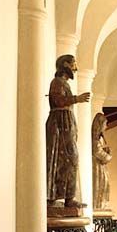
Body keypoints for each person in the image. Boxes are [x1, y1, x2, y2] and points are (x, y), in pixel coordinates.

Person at [46, 55, 91, 208]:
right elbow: (58, 100)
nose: (75, 68)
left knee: (71, 159)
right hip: (60, 124)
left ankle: (68, 197)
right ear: (65, 65)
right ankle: (54, 196)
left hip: (66, 124)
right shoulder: (57, 82)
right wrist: (76, 99)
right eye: (73, 65)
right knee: (62, 159)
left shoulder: (63, 83)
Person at [92, 111, 112, 210]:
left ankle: (100, 206)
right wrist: (108, 156)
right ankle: (98, 206)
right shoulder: (95, 141)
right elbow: (98, 152)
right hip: (97, 168)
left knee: (104, 186)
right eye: (105, 124)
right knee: (99, 186)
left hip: (100, 166)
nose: (106, 126)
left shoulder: (98, 140)